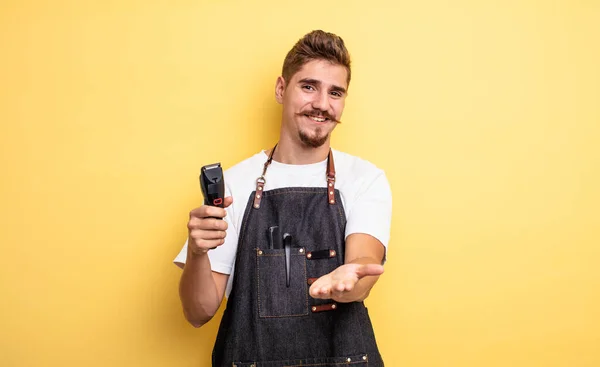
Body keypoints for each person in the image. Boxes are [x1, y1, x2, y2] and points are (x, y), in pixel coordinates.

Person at [174, 30, 392, 367]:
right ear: (281, 89)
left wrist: (348, 278)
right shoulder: (235, 184)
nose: (321, 104)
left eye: (335, 92)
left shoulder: (365, 179)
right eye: (308, 86)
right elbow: (198, 312)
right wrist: (197, 252)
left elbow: (362, 264)